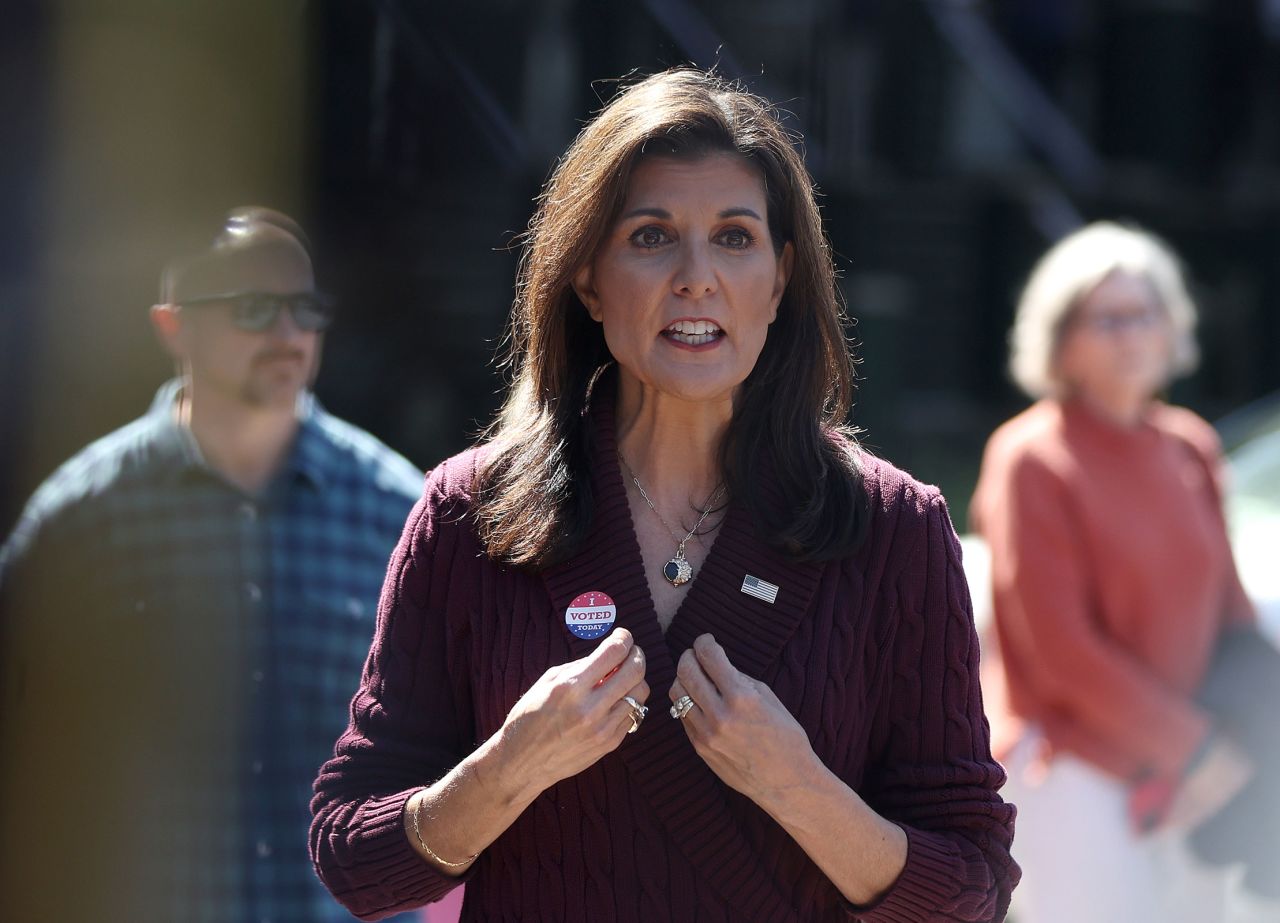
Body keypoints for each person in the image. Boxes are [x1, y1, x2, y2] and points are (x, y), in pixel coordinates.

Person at [309, 69, 1017, 922]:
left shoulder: (893, 527)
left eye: (733, 237)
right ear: (587, 279)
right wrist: (511, 765)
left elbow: (973, 885)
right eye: (651, 237)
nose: (696, 276)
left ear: (781, 277)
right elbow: (354, 857)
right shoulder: (469, 514)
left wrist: (799, 788)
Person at [0, 207, 423, 921]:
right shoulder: (84, 521)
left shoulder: (399, 514)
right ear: (174, 326)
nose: (288, 334)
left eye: (304, 309)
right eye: (254, 308)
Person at [970, 221, 1265, 922]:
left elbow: (1233, 612)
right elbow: (1061, 651)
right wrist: (1194, 748)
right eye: (1107, 318)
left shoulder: (1191, 446)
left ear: (1173, 328)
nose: (1132, 333)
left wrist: (1234, 744)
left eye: (1146, 313)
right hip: (1078, 769)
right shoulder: (1031, 456)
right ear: (1062, 339)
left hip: (1200, 771)